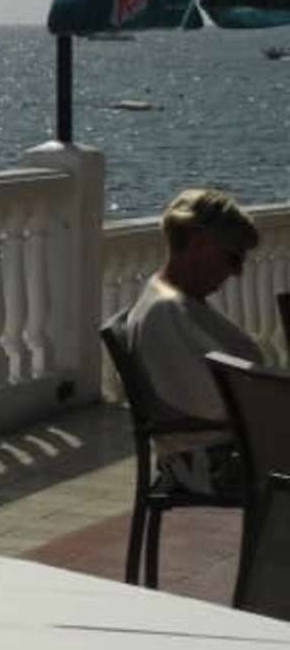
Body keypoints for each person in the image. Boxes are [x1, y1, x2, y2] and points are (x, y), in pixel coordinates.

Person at [122, 187, 263, 495]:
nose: (237, 273)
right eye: (232, 258)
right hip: (211, 462)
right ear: (199, 244)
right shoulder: (164, 313)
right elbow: (211, 405)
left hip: (227, 447)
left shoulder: (178, 302)